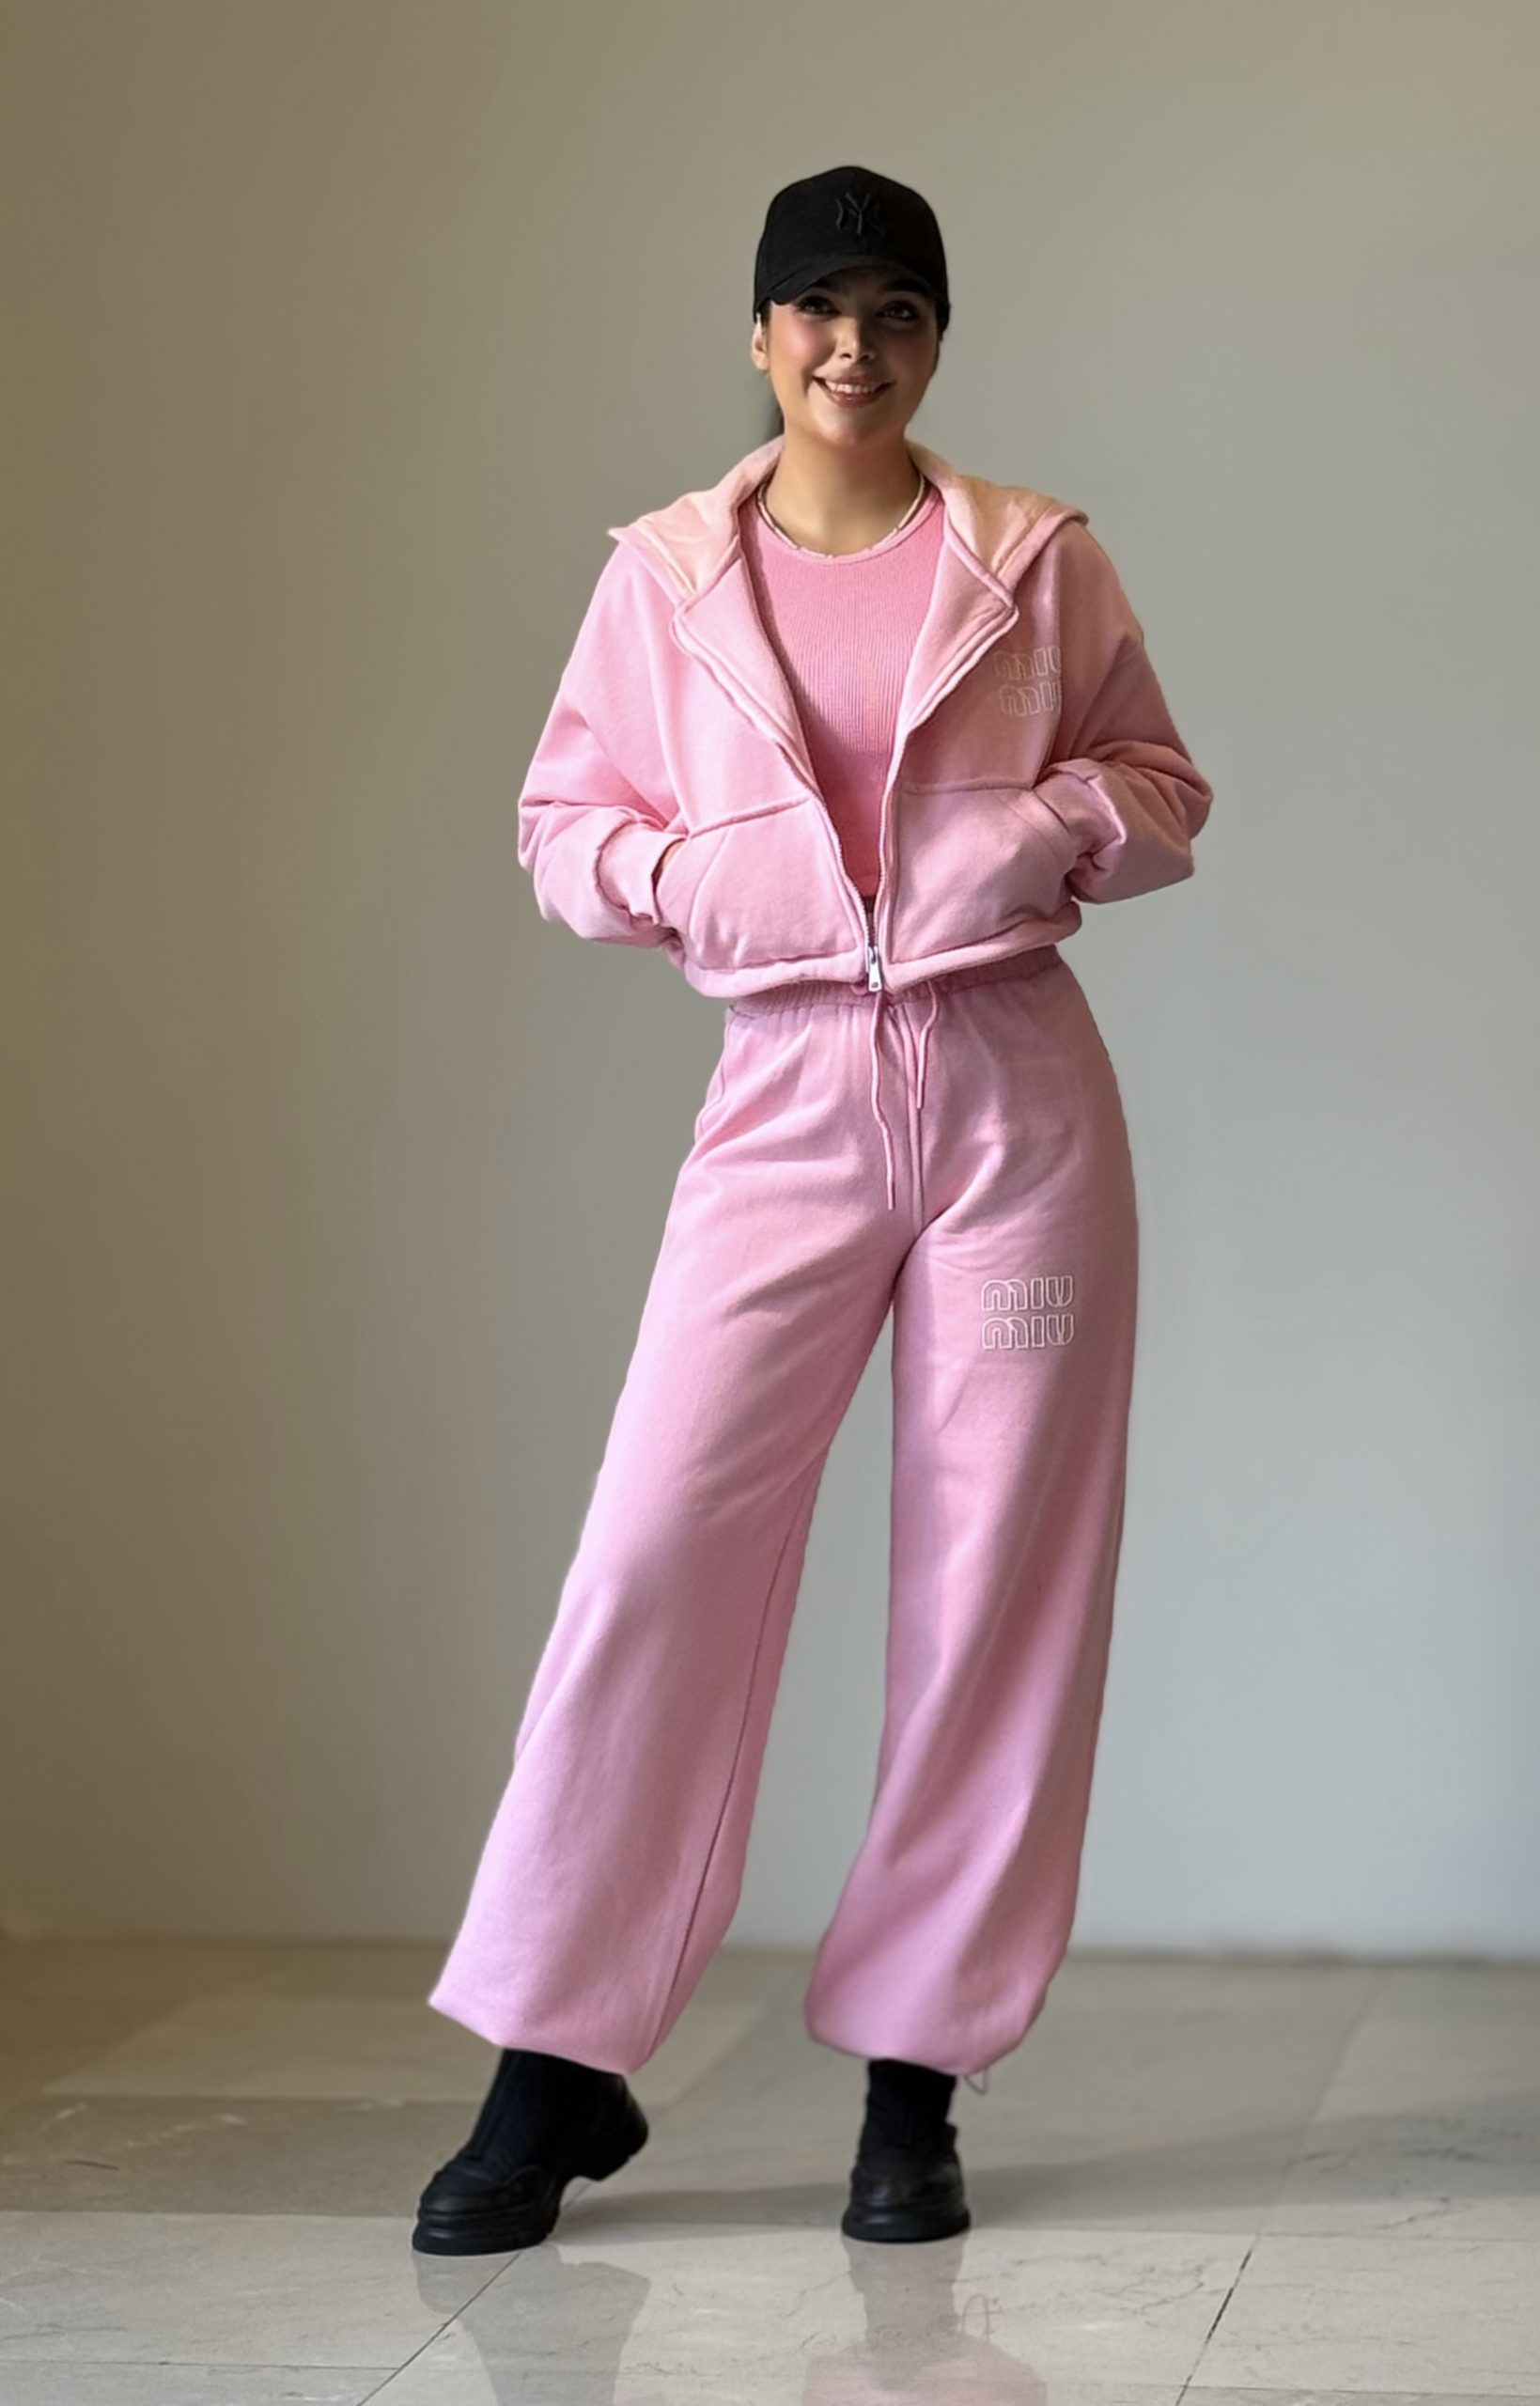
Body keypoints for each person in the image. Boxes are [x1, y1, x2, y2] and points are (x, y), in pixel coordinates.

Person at [413, 164, 1213, 2258]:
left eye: (897, 311)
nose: (856, 346)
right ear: (761, 336)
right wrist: (700, 878)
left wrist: (1033, 834)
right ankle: (556, 2064)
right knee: (658, 1546)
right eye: (819, 310)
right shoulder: (666, 576)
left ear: (937, 337)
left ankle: (913, 2087)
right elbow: (563, 825)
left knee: (995, 1583)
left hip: (1015, 1098)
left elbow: (1161, 787)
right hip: (782, 1094)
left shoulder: (1031, 557)